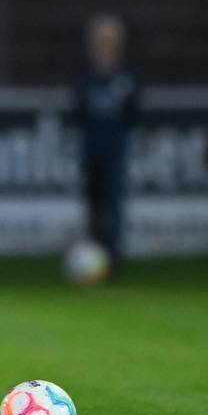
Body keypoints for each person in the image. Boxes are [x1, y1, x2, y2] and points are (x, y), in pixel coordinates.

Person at [73, 14, 139, 277]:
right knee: (93, 206)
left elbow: (134, 114)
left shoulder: (126, 81)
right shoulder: (85, 80)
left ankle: (113, 259)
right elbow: (77, 113)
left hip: (115, 153)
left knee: (113, 206)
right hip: (91, 152)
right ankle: (95, 253)